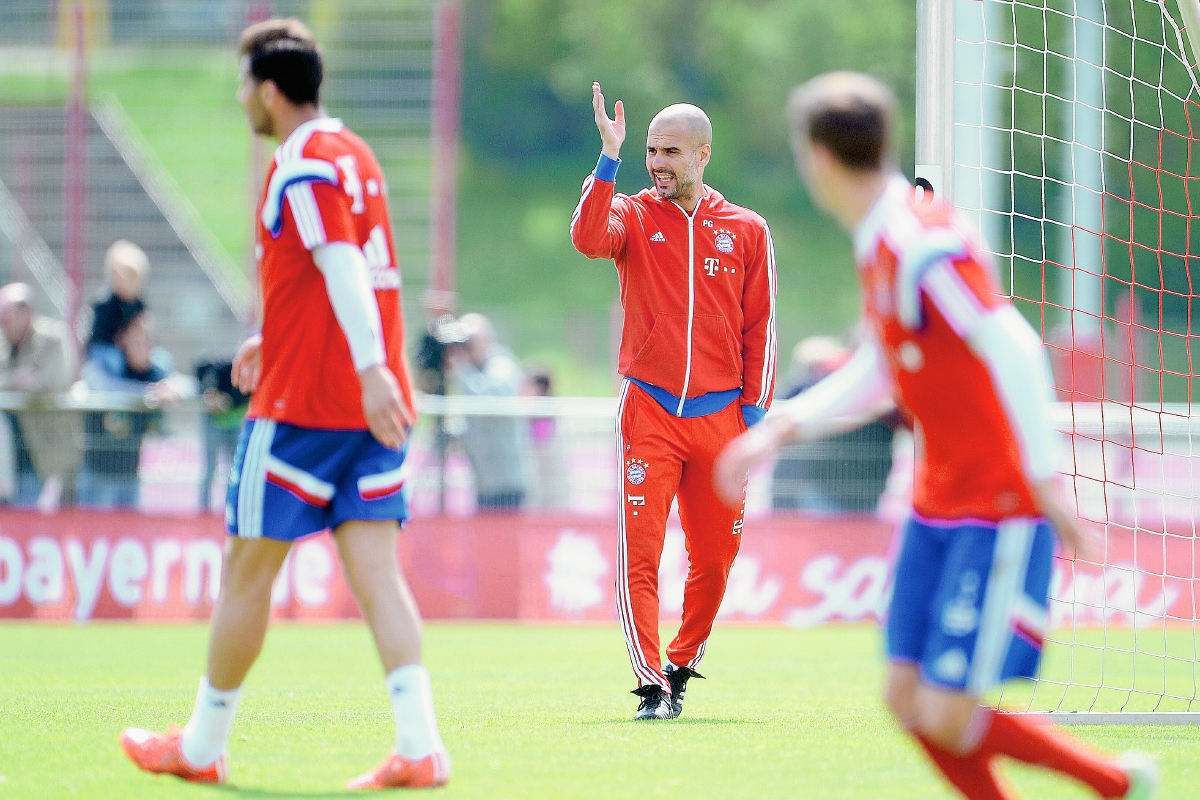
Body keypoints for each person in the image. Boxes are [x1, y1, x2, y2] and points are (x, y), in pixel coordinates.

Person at [714, 71, 1157, 799]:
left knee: (947, 712)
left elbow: (1013, 346)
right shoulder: (881, 243)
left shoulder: (922, 244)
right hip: (935, 507)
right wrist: (779, 431)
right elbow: (881, 369)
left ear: (816, 157)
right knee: (905, 698)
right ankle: (1115, 785)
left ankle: (1112, 783)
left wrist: (1047, 486)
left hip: (998, 508)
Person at [118, 18, 450, 790]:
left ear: (269, 91)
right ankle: (421, 744)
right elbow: (334, 272)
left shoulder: (300, 166)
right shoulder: (355, 154)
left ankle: (200, 748)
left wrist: (366, 369)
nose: (241, 99)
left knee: (245, 573)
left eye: (243, 85)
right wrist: (279, 333)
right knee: (377, 576)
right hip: (370, 412)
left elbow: (341, 269)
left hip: (306, 411)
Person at [571, 83, 777, 720]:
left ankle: (682, 663)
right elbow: (586, 239)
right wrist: (609, 158)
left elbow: (760, 326)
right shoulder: (630, 213)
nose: (656, 162)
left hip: (721, 418)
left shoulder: (746, 229)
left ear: (703, 154)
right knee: (643, 553)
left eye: (670, 152)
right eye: (650, 151)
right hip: (650, 410)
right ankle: (649, 684)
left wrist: (754, 414)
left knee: (715, 559)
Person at [79, 312, 185, 509]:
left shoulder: (153, 371)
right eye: (136, 340)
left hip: (130, 473)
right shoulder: (109, 365)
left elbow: (181, 385)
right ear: (122, 339)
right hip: (97, 474)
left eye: (146, 341)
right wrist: (146, 394)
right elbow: (96, 383)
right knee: (94, 534)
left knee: (125, 534)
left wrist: (168, 388)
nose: (143, 346)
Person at [0, 283, 81, 511]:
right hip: (10, 458)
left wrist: (19, 383)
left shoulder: (53, 339)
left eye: (7, 316)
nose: (3, 323)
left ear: (26, 313)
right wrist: (17, 380)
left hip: (46, 454)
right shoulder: (3, 345)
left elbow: (54, 381)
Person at [447, 312, 527, 511]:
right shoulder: (471, 372)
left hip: (507, 484)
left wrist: (461, 370)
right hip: (483, 483)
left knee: (507, 541)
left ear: (487, 340)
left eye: (470, 340)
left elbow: (490, 400)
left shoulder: (502, 365)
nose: (466, 348)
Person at [195, 358, 250, 511]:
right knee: (210, 467)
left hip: (234, 424)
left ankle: (230, 506)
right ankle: (204, 507)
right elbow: (201, 367)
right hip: (215, 424)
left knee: (233, 469)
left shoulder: (254, 377)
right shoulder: (225, 366)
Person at [89, 240, 149, 375]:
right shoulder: (104, 303)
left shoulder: (139, 304)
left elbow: (144, 334)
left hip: (131, 349)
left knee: (161, 360)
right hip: (107, 349)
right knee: (115, 361)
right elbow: (99, 338)